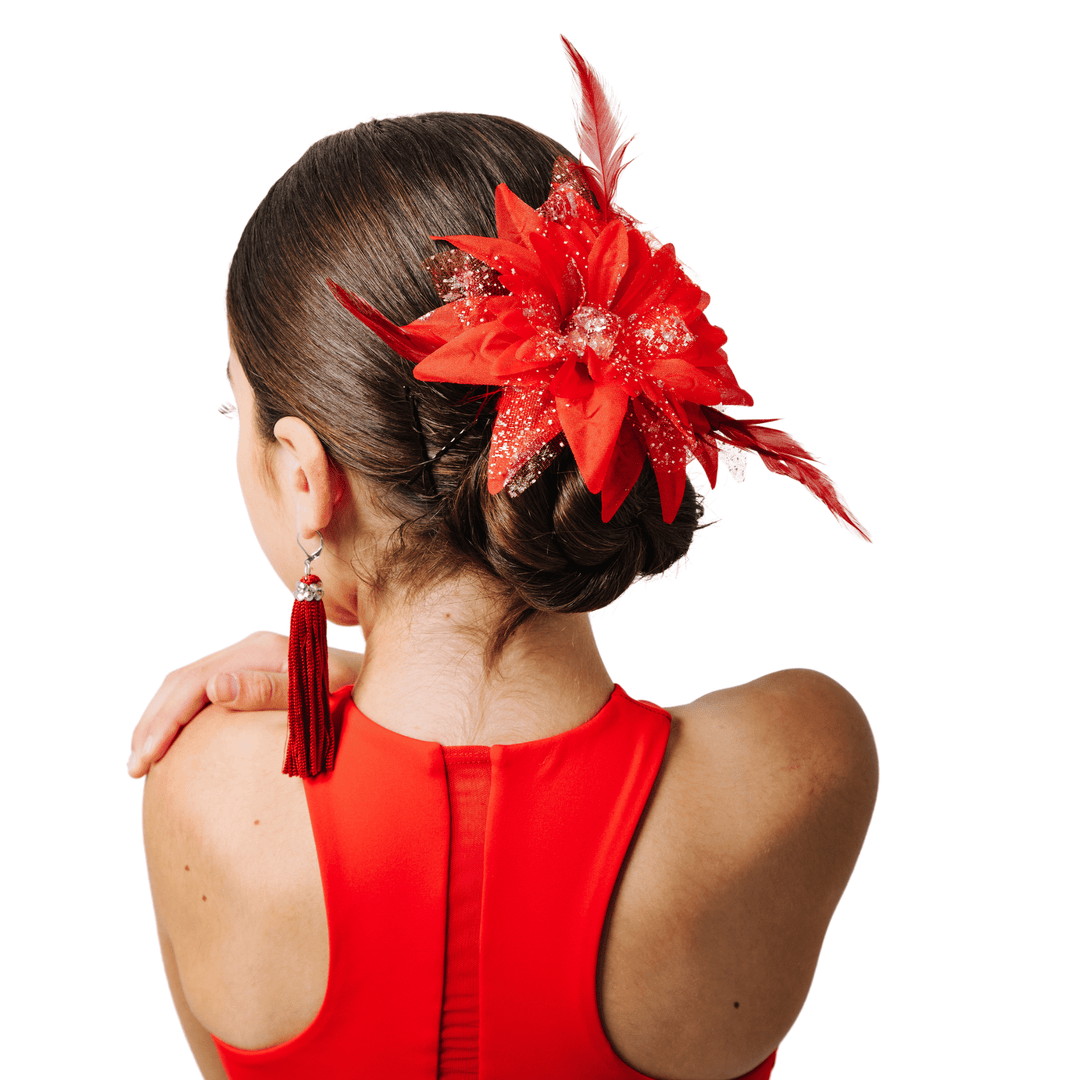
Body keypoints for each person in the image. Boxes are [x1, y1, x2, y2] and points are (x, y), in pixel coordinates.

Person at [132, 43, 877, 1080]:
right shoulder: (799, 760)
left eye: (236, 410)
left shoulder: (206, 791)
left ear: (305, 475)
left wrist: (339, 681)